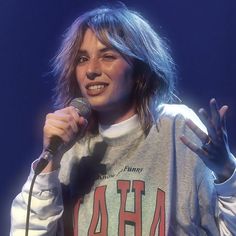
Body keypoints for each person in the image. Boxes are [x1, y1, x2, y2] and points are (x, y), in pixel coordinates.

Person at [10, 4, 236, 236]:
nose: (91, 70)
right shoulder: (68, 142)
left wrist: (226, 171)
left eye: (107, 56)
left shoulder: (178, 128)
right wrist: (50, 160)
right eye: (82, 59)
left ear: (139, 68)